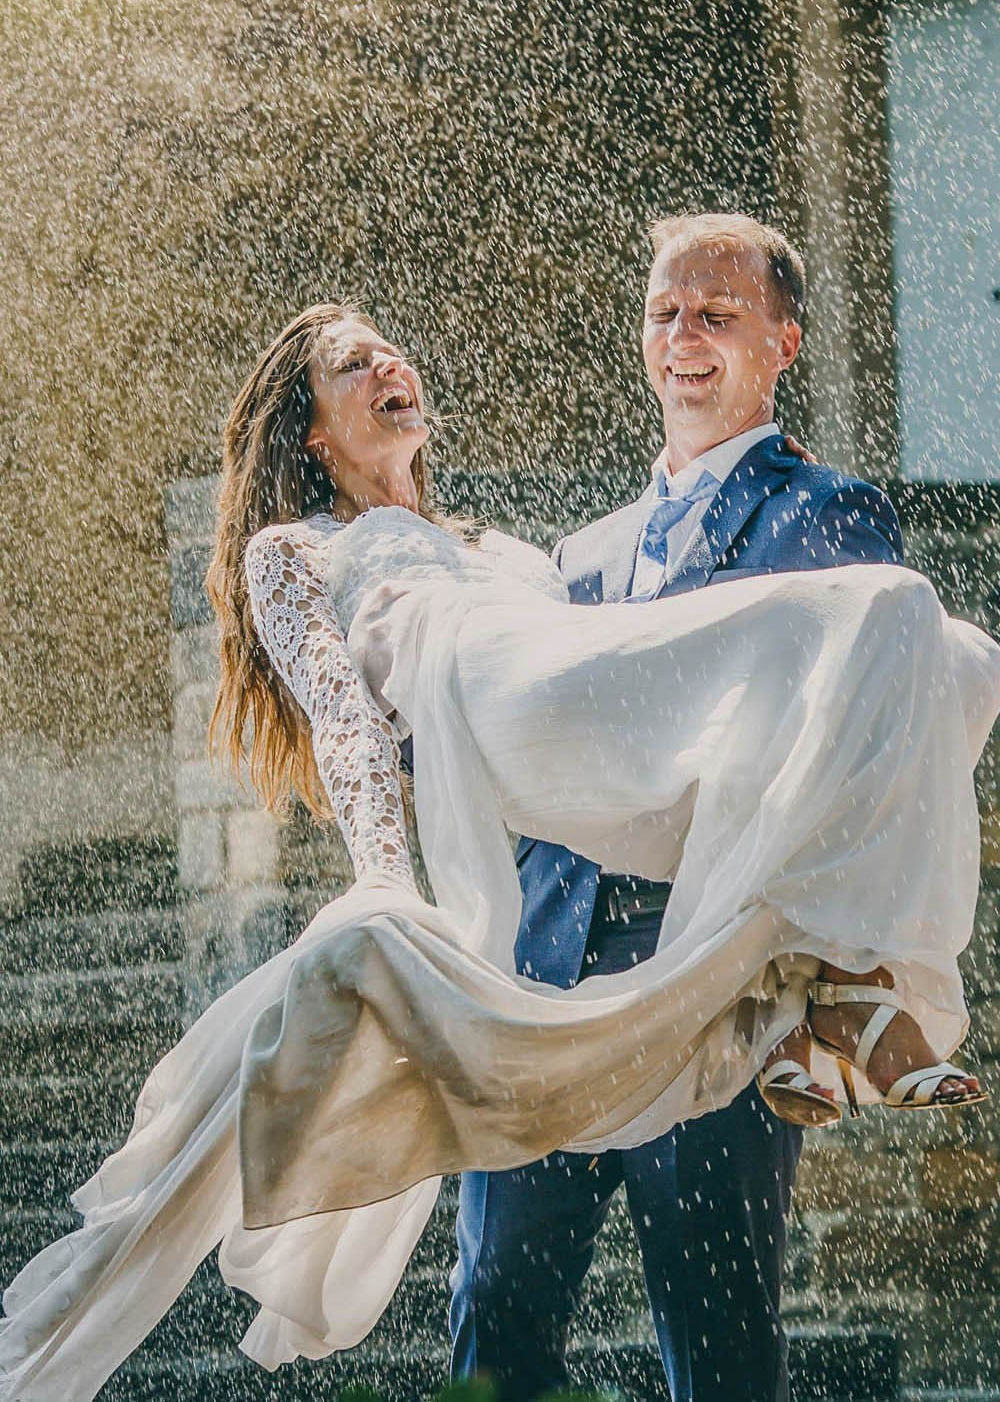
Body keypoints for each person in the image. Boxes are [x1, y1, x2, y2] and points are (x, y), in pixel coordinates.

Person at [2, 248, 998, 1399]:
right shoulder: (307, 548)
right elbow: (344, 719)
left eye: (385, 344)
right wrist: (385, 878)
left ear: (780, 342)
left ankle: (847, 975)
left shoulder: (524, 555)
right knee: (502, 1307)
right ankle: (860, 978)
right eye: (347, 362)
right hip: (533, 855)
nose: (385, 360)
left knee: (955, 653)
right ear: (312, 434)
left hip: (667, 864)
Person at [450, 209, 980, 1401]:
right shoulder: (578, 558)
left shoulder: (832, 518)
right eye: (663, 312)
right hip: (543, 978)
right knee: (493, 1312)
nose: (681, 336)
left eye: (716, 314)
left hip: (709, 988)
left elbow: (840, 740)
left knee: (718, 1335)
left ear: (782, 343)